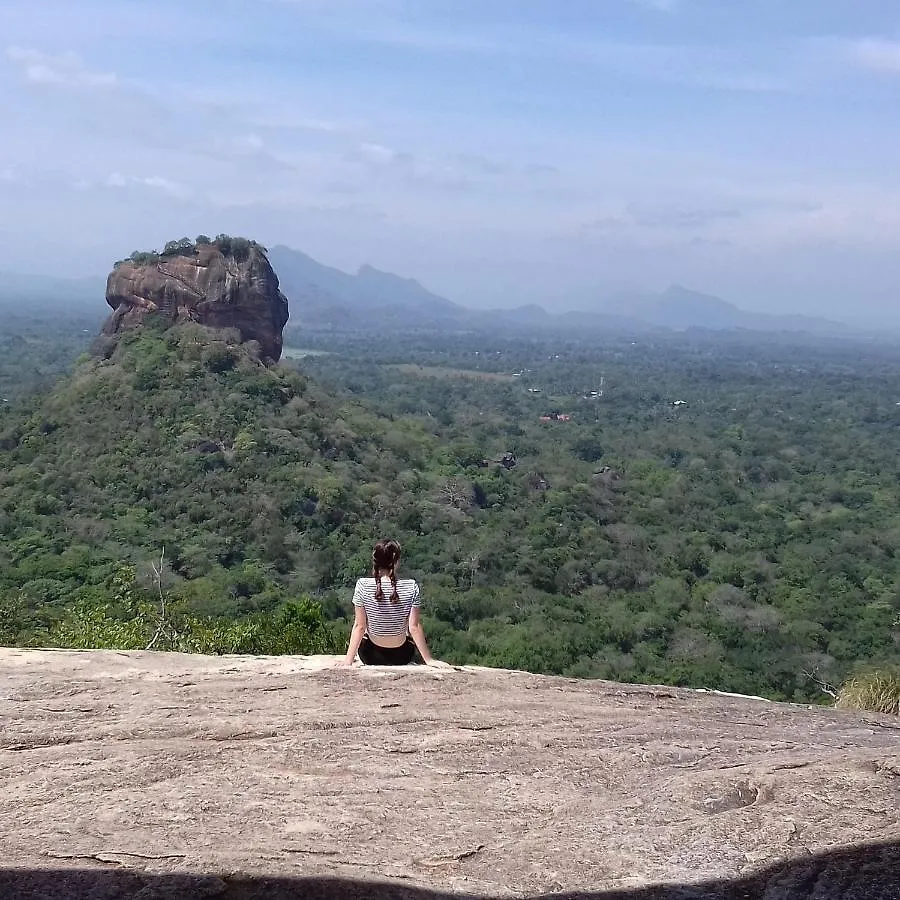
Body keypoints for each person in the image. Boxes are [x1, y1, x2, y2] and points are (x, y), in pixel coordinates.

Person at [339, 539, 449, 667]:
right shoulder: (411, 586)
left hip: (370, 656)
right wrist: (429, 660)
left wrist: (348, 661)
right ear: (396, 561)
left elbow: (360, 626)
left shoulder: (362, 585)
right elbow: (414, 627)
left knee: (366, 636)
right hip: (402, 656)